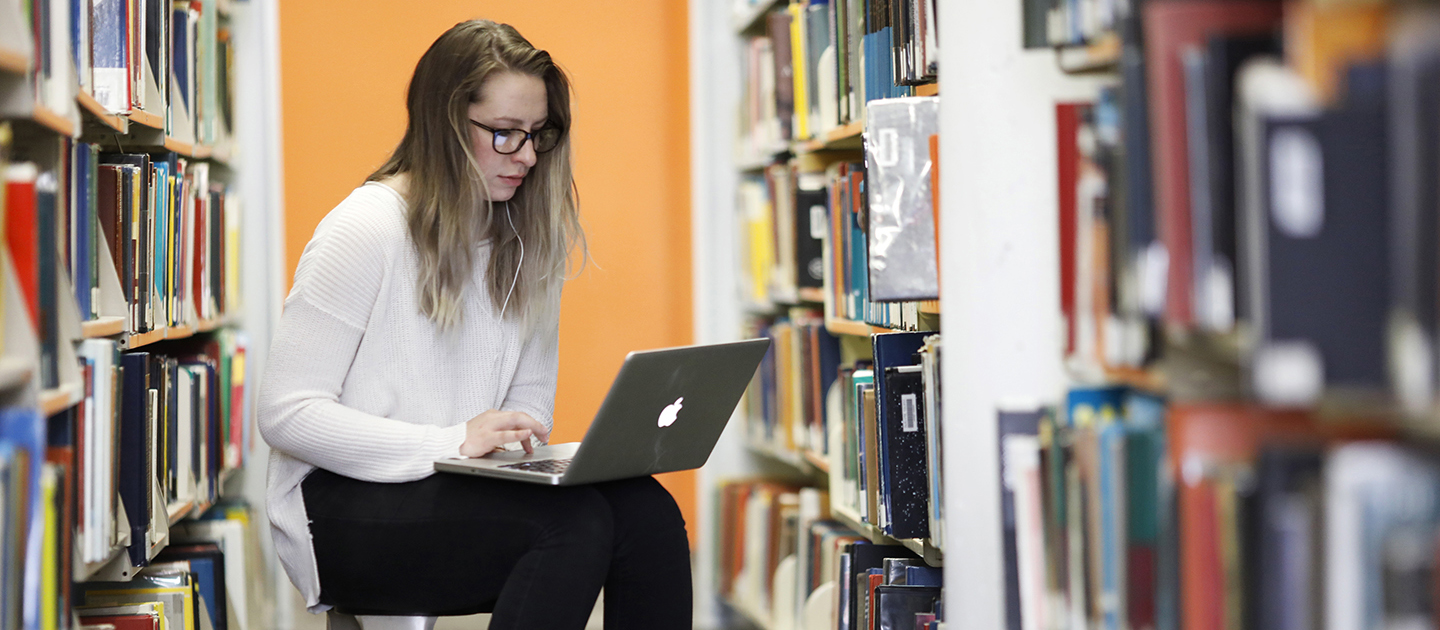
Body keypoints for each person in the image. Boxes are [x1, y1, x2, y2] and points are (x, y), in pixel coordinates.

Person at [257, 19, 692, 630]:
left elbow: (527, 405)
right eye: (505, 134)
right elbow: (286, 413)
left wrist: (527, 449)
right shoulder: (366, 228)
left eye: (539, 134)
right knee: (570, 525)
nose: (528, 156)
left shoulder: (525, 239)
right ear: (444, 125)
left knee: (645, 508)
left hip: (455, 486)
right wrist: (449, 442)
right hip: (337, 509)